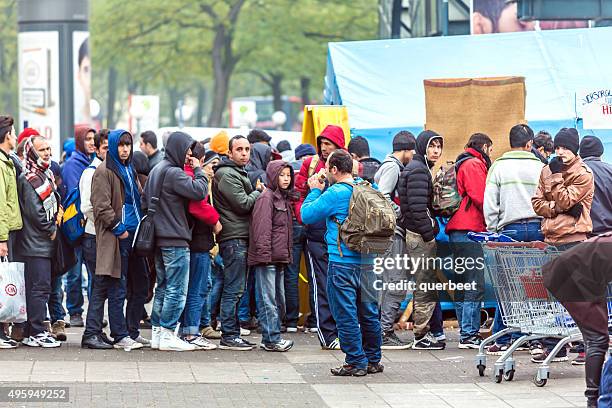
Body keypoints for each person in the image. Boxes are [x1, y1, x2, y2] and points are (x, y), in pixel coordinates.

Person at [301, 149, 383, 376]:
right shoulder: (368, 188)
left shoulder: (335, 192)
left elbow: (306, 215)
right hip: (368, 261)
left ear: (334, 169)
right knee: (368, 312)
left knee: (345, 313)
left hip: (342, 262)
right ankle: (373, 359)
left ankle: (355, 361)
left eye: (327, 167)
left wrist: (314, 191)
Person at [531, 127, 594, 363]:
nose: (560, 152)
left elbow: (568, 198)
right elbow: (537, 203)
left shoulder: (583, 173)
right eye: (557, 147)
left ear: (574, 149)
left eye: (565, 147)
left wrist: (558, 183)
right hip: (551, 239)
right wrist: (560, 209)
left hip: (575, 239)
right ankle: (554, 344)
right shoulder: (546, 169)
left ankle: (584, 344)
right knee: (551, 295)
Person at [483, 124, 544, 354]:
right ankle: (536, 336)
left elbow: (490, 203)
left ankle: (508, 337)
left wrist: (492, 229)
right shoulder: (540, 166)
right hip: (538, 229)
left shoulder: (498, 167)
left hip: (509, 230)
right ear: (529, 144)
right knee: (536, 284)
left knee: (508, 284)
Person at [145, 131, 207, 352]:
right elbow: (199, 191)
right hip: (175, 237)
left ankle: (158, 334)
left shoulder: (157, 169)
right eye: (188, 148)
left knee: (162, 286)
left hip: (160, 237)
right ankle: (169, 333)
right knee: (176, 289)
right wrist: (199, 168)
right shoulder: (173, 172)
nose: (189, 153)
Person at [89, 130, 148, 351]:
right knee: (118, 288)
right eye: (121, 145)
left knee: (141, 285)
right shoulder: (104, 171)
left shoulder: (129, 168)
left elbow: (137, 197)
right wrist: (119, 228)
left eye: (128, 145)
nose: (125, 149)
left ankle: (132, 331)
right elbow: (100, 206)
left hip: (135, 237)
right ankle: (120, 334)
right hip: (117, 238)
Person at [542, 234, 612, 407]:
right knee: (598, 339)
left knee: (596, 338)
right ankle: (593, 401)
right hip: (572, 277)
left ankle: (596, 398)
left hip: (580, 275)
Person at [295, 125, 346, 349]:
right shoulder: (311, 165)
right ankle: (327, 333)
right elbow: (299, 195)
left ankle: (344, 332)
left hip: (342, 239)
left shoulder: (348, 166)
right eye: (322, 143)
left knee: (342, 287)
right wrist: (303, 215)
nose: (324, 148)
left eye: (329, 144)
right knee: (322, 285)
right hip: (316, 235)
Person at [213, 135, 263, 350]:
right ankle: (229, 335)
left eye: (247, 149)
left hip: (239, 237)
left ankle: (231, 333)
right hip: (233, 238)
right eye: (239, 149)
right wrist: (257, 192)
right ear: (229, 153)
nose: (244, 153)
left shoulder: (236, 172)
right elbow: (242, 204)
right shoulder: (227, 175)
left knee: (236, 288)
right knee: (233, 289)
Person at [397, 130, 445, 350]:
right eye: (432, 146)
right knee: (425, 286)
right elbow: (417, 209)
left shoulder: (418, 167)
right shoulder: (418, 171)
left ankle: (424, 333)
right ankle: (421, 336)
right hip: (419, 236)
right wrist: (430, 231)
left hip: (416, 234)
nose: (436, 151)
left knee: (424, 284)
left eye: (439, 146)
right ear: (423, 147)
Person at [446, 132, 493, 349]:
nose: (490, 154)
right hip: (469, 229)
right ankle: (468, 334)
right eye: (490, 149)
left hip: (457, 229)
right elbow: (481, 196)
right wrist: (494, 217)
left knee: (462, 282)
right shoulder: (474, 164)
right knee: (474, 282)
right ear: (484, 146)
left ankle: (466, 332)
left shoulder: (462, 161)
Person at [374, 131, 417, 349]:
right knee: (396, 281)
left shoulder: (389, 165)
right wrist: (401, 213)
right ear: (405, 150)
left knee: (392, 281)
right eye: (412, 151)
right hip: (393, 234)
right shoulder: (392, 167)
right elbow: (383, 196)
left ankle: (382, 329)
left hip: (390, 234)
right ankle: (383, 331)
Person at [17, 136, 61, 348]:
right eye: (42, 149)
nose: (47, 153)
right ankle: (36, 331)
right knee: (39, 288)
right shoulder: (29, 178)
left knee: (40, 287)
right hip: (35, 244)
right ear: (32, 152)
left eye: (48, 149)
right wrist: (51, 228)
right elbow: (35, 212)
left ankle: (31, 330)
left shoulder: (45, 174)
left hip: (42, 243)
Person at [248, 160, 295, 352]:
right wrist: (264, 255)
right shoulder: (266, 198)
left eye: (288, 175)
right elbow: (262, 230)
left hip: (278, 258)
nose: (286, 179)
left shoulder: (282, 198)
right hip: (267, 258)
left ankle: (271, 336)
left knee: (277, 300)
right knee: (268, 299)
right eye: (282, 175)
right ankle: (271, 338)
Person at [180, 142, 220, 350]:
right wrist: (216, 221)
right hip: (198, 240)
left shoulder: (181, 174)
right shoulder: (193, 176)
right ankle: (190, 332)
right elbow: (198, 206)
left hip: (190, 239)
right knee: (196, 289)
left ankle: (186, 330)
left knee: (190, 288)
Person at [61, 125, 96, 327]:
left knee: (93, 274)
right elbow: (78, 197)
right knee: (74, 274)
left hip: (90, 226)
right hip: (76, 227)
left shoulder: (92, 162)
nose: (91, 142)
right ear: (79, 141)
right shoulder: (73, 164)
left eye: (93, 138)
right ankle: (75, 312)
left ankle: (93, 313)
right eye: (87, 139)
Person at [0, 116, 22, 349]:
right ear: (7, 136)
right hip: (3, 233)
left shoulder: (6, 161)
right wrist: (2, 238)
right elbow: (1, 203)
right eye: (14, 133)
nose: (15, 137)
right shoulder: (0, 164)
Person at [198, 151, 223, 340]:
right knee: (204, 284)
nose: (215, 169)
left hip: (211, 242)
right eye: (212, 164)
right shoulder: (200, 185)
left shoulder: (213, 184)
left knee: (208, 283)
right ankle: (201, 324)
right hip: (202, 242)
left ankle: (205, 322)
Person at [579, 136, 612, 236]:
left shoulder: (572, 172)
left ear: (581, 153)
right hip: (608, 235)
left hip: (582, 237)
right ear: (601, 152)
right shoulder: (610, 171)